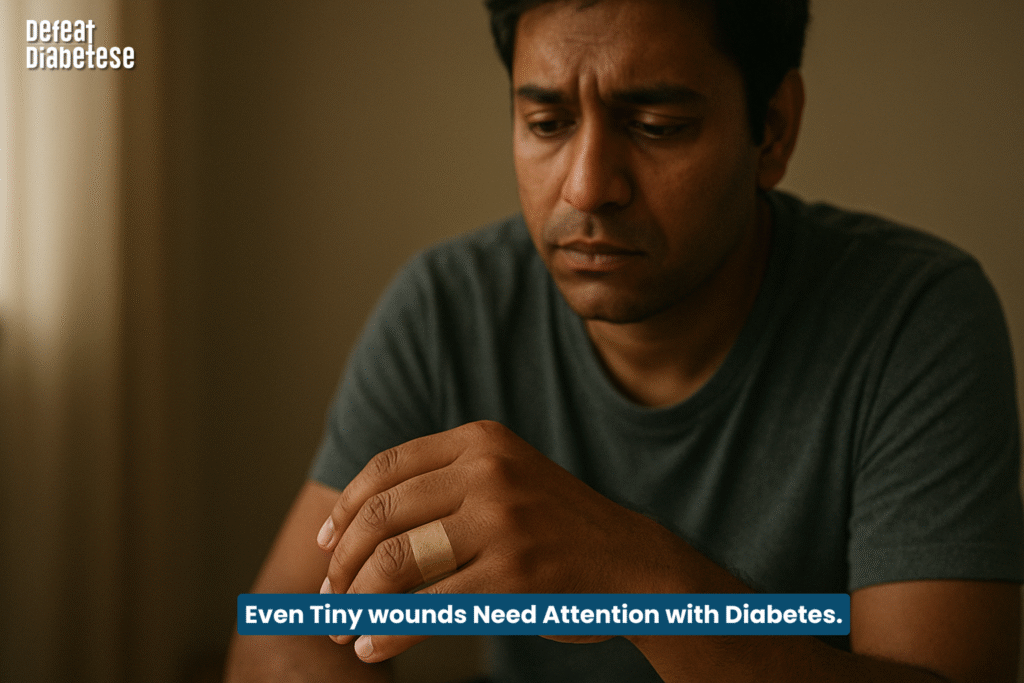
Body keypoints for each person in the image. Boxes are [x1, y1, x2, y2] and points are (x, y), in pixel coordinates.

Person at [225, 0, 1023, 681]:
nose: (586, 185)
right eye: (546, 122)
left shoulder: (914, 317)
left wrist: (629, 570)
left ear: (772, 131)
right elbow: (279, 636)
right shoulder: (448, 307)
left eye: (656, 125)